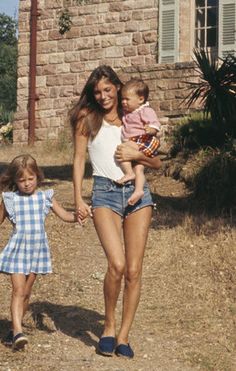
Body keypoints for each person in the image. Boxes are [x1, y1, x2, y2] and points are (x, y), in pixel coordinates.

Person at [70, 65, 161, 359]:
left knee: (134, 270)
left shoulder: (132, 117)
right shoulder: (87, 118)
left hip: (137, 195)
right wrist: (78, 199)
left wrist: (138, 155)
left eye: (108, 90)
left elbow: (157, 163)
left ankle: (123, 336)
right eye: (97, 91)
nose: (103, 95)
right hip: (104, 193)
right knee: (117, 265)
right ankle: (108, 327)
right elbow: (79, 159)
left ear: (118, 89)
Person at [0, 154, 77, 351]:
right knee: (18, 291)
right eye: (22, 180)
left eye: (30, 179)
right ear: (15, 180)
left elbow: (65, 216)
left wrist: (79, 216)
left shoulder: (45, 197)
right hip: (18, 251)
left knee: (26, 293)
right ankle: (18, 331)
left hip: (36, 252)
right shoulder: (10, 200)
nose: (26, 184)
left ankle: (12, 330)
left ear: (38, 176)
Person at [117, 78, 161, 205]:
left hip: (142, 140)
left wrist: (151, 130)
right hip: (137, 142)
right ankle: (139, 190)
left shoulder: (144, 110)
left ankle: (129, 173)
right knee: (139, 168)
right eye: (122, 99)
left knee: (122, 149)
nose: (123, 102)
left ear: (141, 99)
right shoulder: (128, 111)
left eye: (127, 99)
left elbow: (155, 124)